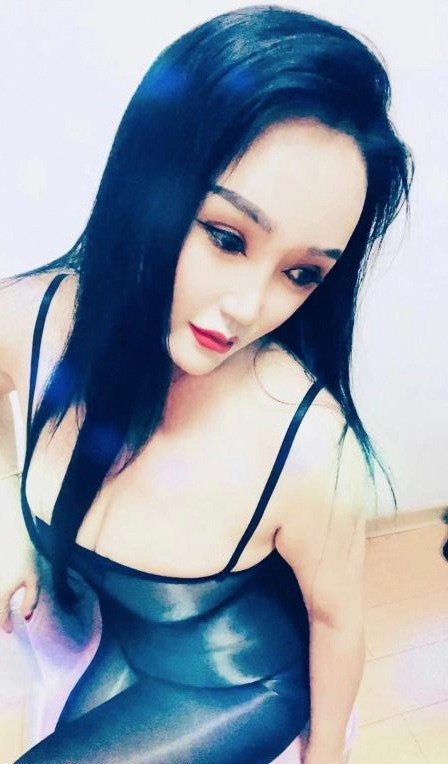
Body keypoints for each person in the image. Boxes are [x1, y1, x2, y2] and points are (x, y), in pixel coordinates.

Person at [0, 4, 413, 763]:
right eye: (227, 237)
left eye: (302, 274)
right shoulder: (34, 316)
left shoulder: (308, 446)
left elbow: (336, 619)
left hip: (243, 682)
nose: (249, 307)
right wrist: (7, 522)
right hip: (127, 651)